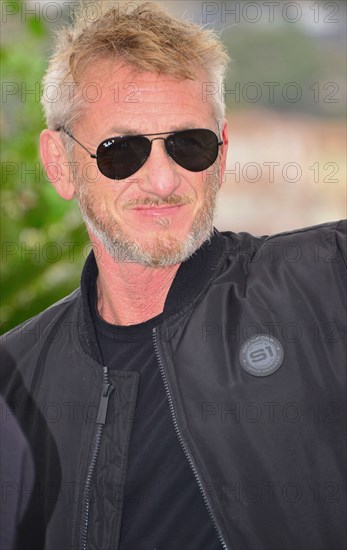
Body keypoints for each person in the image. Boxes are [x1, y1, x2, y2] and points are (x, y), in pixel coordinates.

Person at [1, 1, 346, 549]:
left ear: (223, 153)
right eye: (122, 151)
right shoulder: (14, 375)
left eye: (190, 145)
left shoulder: (325, 285)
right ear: (60, 164)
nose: (162, 180)